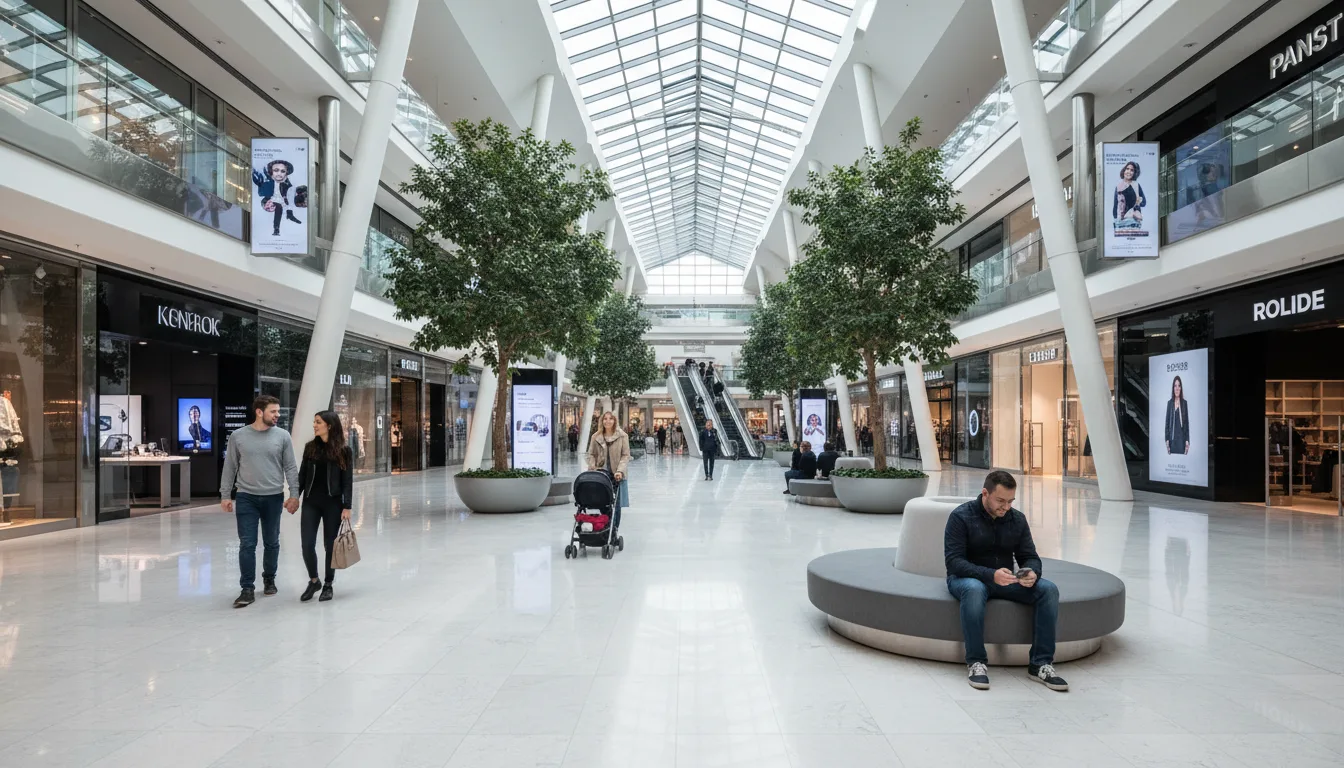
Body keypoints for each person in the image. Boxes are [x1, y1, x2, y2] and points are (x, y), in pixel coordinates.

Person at [945, 471, 1066, 692]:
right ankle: (976, 662)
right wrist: (990, 574)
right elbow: (954, 562)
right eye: (1000, 501)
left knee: (1048, 590)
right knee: (974, 589)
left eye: (1010, 501)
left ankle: (1041, 664)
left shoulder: (1017, 519)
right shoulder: (961, 517)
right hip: (966, 579)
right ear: (985, 493)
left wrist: (1031, 572)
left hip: (1005, 580)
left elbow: (1029, 556)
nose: (1006, 507)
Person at [219, 395, 300, 608]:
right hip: (246, 497)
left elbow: (290, 467)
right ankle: (247, 588)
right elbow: (230, 467)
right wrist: (225, 495)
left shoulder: (282, 436)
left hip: (273, 496)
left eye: (278, 411)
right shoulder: (238, 436)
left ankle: (269, 578)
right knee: (247, 543)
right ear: (259, 411)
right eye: (273, 411)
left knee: (272, 542)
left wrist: (294, 493)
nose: (277, 415)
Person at [298, 411, 353, 603]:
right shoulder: (310, 448)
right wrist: (295, 497)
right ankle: (314, 580)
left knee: (330, 545)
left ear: (329, 425)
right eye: (314, 421)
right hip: (311, 502)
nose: (314, 425)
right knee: (307, 544)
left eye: (318, 422)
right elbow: (302, 476)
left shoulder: (343, 450)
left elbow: (347, 481)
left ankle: (328, 583)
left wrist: (347, 506)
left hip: (333, 503)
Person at [587, 411, 630, 531]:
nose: (607, 421)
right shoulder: (596, 437)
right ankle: (606, 525)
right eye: (605, 419)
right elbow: (591, 454)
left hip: (616, 475)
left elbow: (625, 455)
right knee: (602, 501)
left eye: (610, 418)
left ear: (615, 421)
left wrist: (620, 471)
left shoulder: (622, 436)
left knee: (616, 504)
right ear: (602, 421)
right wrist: (593, 468)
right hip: (600, 475)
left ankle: (614, 529)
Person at [1112, 160, 1146, 225]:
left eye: (1132, 170)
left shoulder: (1136, 185)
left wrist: (1138, 202)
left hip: (1134, 221)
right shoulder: (1118, 187)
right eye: (1127, 169)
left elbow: (1144, 203)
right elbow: (1115, 206)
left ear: (1134, 173)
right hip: (1121, 221)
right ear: (1124, 170)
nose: (1129, 172)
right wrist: (1115, 220)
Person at [1164, 375, 1190, 456]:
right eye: (1175, 386)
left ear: (1181, 388)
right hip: (1172, 441)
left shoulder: (1184, 403)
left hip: (1181, 442)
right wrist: (1167, 439)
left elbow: (1186, 424)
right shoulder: (1170, 403)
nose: (1177, 388)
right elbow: (1167, 423)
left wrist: (1187, 440)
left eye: (1179, 385)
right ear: (1173, 388)